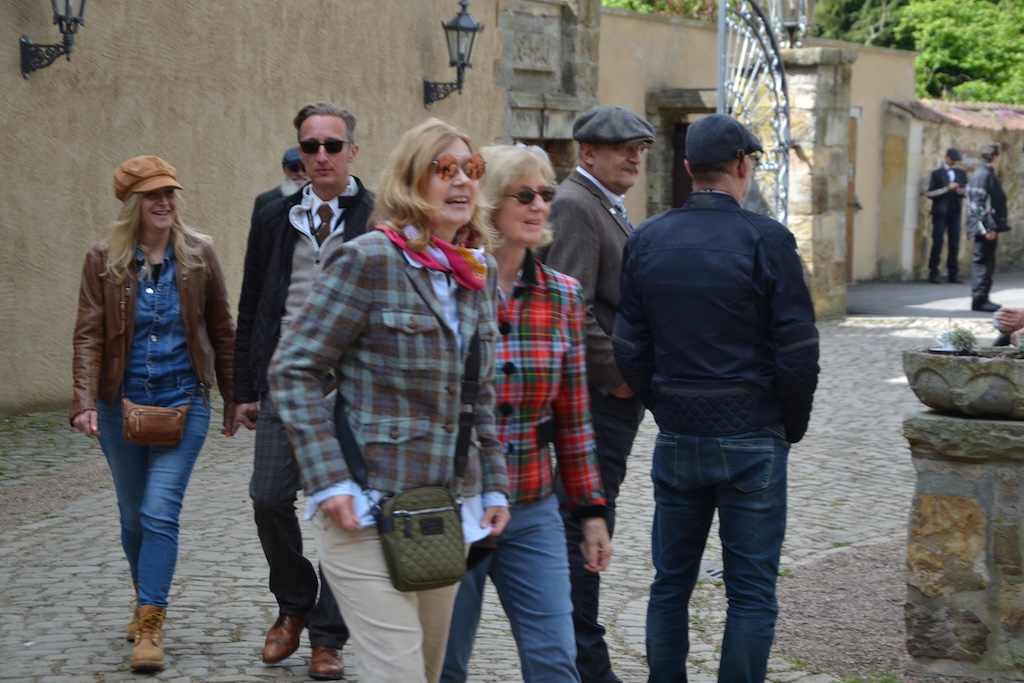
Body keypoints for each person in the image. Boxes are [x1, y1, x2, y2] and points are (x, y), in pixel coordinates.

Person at [267, 117, 511, 683]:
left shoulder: (477, 270)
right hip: (364, 512)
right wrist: (329, 480)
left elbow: (479, 395)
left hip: (441, 513)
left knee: (427, 670)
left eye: (471, 169)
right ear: (410, 180)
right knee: (397, 673)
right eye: (444, 169)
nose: (462, 181)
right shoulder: (369, 260)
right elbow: (294, 368)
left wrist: (494, 484)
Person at [612, 113, 820, 683]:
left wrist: (664, 404)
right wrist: (789, 425)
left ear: (688, 168)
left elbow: (629, 345)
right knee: (750, 592)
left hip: (680, 435)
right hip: (753, 431)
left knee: (670, 583)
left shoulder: (647, 237)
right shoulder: (768, 240)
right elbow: (798, 350)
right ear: (742, 166)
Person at [440, 144, 613, 683]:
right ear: (490, 203)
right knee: (443, 665)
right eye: (525, 195)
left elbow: (573, 416)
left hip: (533, 505)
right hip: (455, 505)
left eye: (546, 194)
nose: (540, 205)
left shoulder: (562, 295)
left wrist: (590, 511)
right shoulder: (445, 285)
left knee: (556, 661)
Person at [69, 155, 236, 673]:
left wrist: (234, 399)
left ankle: (150, 624)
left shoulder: (199, 256)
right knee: (132, 515)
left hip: (184, 402)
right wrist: (83, 400)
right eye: (153, 196)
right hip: (119, 407)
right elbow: (88, 334)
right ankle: (144, 594)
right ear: (133, 204)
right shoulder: (103, 260)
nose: (164, 203)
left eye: (169, 193)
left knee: (159, 511)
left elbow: (222, 330)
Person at [233, 102, 374, 680]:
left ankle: (328, 637)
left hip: (354, 387)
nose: (320, 155)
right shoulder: (273, 216)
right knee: (268, 497)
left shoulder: (380, 216)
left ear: (351, 152)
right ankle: (294, 603)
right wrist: (243, 388)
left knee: (347, 511)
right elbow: (251, 303)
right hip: (284, 378)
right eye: (309, 146)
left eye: (331, 146)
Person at [536, 104, 653, 683]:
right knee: (583, 525)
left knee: (589, 523)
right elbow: (570, 306)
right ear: (587, 153)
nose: (634, 157)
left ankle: (578, 656)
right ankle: (586, 663)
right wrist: (619, 376)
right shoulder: (576, 204)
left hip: (608, 400)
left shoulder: (602, 203)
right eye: (623, 147)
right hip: (594, 399)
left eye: (640, 148)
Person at [968, 142, 1008, 312]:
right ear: (995, 157)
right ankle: (979, 300)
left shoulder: (987, 173)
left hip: (988, 226)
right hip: (983, 228)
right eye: (999, 155)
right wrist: (988, 227)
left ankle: (983, 298)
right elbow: (977, 205)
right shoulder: (982, 174)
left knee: (988, 263)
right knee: (982, 263)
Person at [925, 147, 968, 284]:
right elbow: (929, 193)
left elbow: (967, 190)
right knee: (938, 242)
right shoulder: (936, 173)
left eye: (956, 160)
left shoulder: (961, 173)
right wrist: (946, 189)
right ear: (946, 157)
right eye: (952, 160)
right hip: (940, 212)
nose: (954, 162)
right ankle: (934, 273)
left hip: (955, 211)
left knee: (954, 243)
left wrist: (962, 192)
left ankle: (953, 273)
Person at [252, 146, 308, 220]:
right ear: (284, 169)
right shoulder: (265, 200)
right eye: (294, 168)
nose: (300, 173)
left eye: (304, 168)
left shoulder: (318, 198)